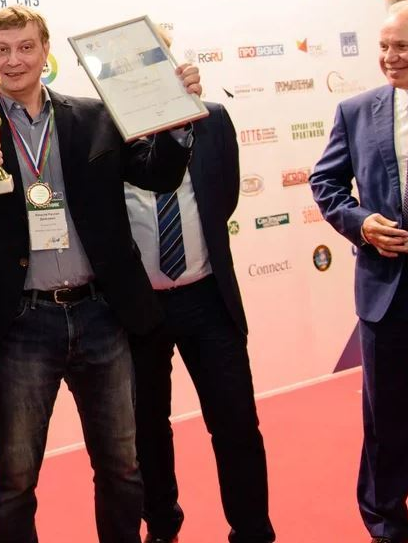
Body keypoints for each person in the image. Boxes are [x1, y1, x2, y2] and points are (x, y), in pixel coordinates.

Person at [0, 6, 199, 543]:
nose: (14, 60)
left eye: (26, 47)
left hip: (102, 314)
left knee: (122, 466)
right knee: (16, 477)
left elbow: (158, 175)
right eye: (2, 50)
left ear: (46, 53)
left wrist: (177, 118)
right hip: (23, 322)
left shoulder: (95, 116)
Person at [311, 0, 408, 543]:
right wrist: (361, 224)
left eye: (401, 46)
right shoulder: (357, 111)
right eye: (383, 45)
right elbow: (327, 184)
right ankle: (386, 528)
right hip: (390, 285)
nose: (388, 56)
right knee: (388, 421)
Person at [124, 93, 274, 543]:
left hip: (208, 297)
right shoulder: (102, 129)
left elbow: (224, 198)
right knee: (146, 428)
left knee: (236, 422)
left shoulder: (212, 119)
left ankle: (252, 532)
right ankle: (162, 525)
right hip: (138, 305)